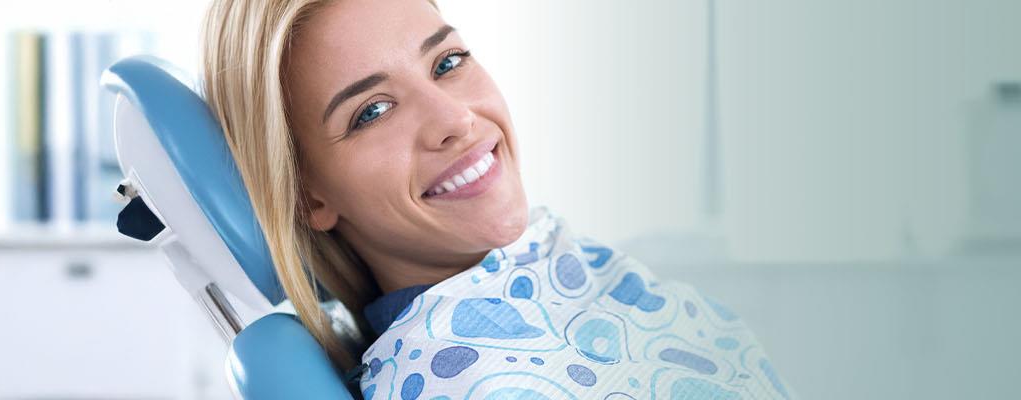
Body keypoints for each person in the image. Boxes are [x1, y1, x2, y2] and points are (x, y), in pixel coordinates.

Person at [201, 0, 790, 397]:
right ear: (309, 196)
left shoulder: (578, 270)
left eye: (447, 62)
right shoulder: (451, 377)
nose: (454, 118)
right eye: (372, 111)